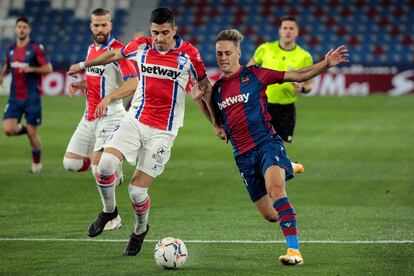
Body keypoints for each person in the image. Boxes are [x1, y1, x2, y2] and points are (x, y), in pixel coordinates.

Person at [67, 7, 214, 256]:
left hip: (163, 131)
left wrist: (216, 123)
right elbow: (113, 55)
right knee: (104, 166)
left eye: (165, 33)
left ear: (175, 30)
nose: (160, 38)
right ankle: (109, 210)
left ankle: (139, 230)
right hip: (135, 120)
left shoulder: (189, 54)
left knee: (137, 191)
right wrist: (83, 64)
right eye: (155, 32)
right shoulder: (141, 46)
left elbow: (204, 86)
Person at [206, 29, 348, 265]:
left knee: (276, 190)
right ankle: (287, 166)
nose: (223, 57)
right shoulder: (218, 88)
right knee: (271, 215)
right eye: (219, 53)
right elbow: (217, 119)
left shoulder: (256, 75)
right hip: (242, 156)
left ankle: (294, 251)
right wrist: (215, 125)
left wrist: (326, 64)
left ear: (238, 53)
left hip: (266, 144)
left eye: (227, 53)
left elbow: (299, 75)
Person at [63, 8, 138, 231]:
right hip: (89, 116)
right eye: (96, 25)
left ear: (111, 25)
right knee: (71, 163)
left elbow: (133, 82)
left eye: (104, 25)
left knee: (98, 170)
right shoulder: (91, 50)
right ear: (91, 26)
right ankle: (114, 170)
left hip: (111, 115)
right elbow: (98, 80)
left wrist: (110, 97)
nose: (100, 29)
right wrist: (80, 84)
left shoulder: (118, 51)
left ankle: (113, 216)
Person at [247, 16, 313, 144]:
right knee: (261, 144)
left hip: (286, 109)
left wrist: (303, 89)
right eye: (285, 28)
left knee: (279, 146)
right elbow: (248, 71)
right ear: (280, 31)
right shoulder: (265, 49)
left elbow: (309, 85)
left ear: (297, 31)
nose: (288, 31)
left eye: (291, 28)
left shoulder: (304, 56)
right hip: (263, 105)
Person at [0, 16, 53, 173]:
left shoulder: (36, 48)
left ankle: (36, 165)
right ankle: (27, 129)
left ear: (28, 30)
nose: (21, 29)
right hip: (15, 98)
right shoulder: (10, 49)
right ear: (15, 29)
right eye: (19, 27)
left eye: (24, 27)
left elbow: (48, 68)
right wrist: (2, 76)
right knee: (8, 129)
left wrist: (32, 69)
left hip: (32, 98)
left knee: (33, 135)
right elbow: (7, 66)